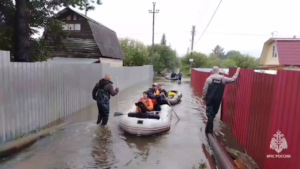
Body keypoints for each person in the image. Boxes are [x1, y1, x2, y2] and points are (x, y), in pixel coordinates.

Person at [202, 66, 240, 134]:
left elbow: (205, 90)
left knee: (209, 113)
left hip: (209, 99)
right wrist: (237, 72)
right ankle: (209, 130)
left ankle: (209, 130)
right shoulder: (223, 79)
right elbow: (233, 79)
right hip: (218, 99)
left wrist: (204, 98)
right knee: (214, 113)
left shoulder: (209, 79)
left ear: (212, 71)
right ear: (219, 71)